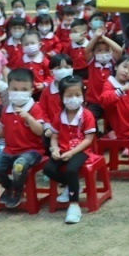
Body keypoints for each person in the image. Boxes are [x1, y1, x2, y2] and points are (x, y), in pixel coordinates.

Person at [0, 69, 48, 209]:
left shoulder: (35, 108)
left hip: (32, 151)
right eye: (15, 89)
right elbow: (3, 133)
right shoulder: (6, 109)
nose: (19, 92)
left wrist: (28, 117)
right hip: (9, 150)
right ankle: (10, 187)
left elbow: (39, 131)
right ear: (8, 89)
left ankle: (18, 189)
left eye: (24, 89)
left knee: (19, 166)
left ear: (31, 90)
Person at [42, 75, 97, 224]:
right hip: (62, 148)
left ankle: (74, 205)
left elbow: (88, 139)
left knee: (71, 170)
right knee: (48, 169)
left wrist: (72, 152)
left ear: (83, 96)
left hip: (80, 151)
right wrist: (54, 149)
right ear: (61, 97)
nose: (74, 98)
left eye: (77, 95)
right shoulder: (58, 116)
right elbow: (54, 136)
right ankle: (70, 185)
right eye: (69, 95)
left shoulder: (87, 115)